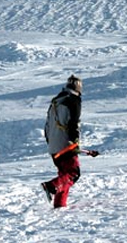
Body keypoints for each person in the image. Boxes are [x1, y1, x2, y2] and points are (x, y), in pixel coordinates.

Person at [42, 75, 82, 208]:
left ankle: (60, 204)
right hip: (66, 143)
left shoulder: (56, 100)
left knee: (64, 175)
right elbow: (73, 123)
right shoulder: (73, 100)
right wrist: (74, 141)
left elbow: (47, 125)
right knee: (73, 173)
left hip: (53, 145)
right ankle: (51, 186)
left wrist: (50, 142)